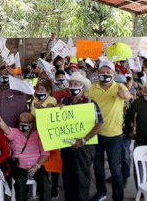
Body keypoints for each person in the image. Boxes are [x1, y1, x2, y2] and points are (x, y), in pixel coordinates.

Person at [89, 61, 131, 201]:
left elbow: (128, 96)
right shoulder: (92, 88)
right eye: (102, 72)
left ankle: (118, 197)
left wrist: (124, 94)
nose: (105, 75)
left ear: (114, 74)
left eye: (108, 72)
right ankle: (101, 192)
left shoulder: (120, 86)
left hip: (115, 135)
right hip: (97, 133)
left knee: (115, 169)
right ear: (98, 73)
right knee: (98, 167)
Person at [60, 72, 104, 201]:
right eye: (71, 84)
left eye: (76, 84)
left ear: (83, 87)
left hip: (84, 146)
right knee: (67, 177)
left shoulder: (91, 103)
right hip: (67, 145)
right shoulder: (64, 102)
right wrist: (56, 109)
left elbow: (99, 124)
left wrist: (84, 139)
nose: (73, 86)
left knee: (82, 178)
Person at [0, 112, 51, 201]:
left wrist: (37, 166)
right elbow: (6, 129)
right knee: (20, 184)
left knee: (44, 182)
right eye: (21, 121)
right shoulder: (15, 133)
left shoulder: (38, 135)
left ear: (32, 124)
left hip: (36, 165)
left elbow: (45, 154)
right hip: (19, 166)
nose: (23, 124)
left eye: (26, 122)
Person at [30, 80, 61, 199]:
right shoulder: (34, 101)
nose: (39, 92)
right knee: (42, 164)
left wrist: (41, 108)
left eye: (42, 90)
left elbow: (51, 112)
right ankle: (43, 187)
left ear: (48, 91)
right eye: (38, 90)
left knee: (53, 163)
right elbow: (32, 116)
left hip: (51, 136)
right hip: (37, 135)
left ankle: (54, 188)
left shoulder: (51, 100)